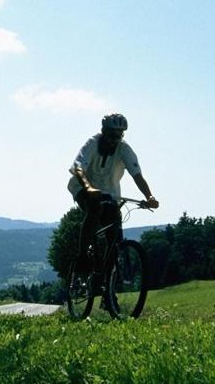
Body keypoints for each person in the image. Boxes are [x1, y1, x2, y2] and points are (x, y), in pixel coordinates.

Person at [67, 113, 159, 273]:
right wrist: (88, 188)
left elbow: (137, 176)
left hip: (110, 193)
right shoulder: (92, 143)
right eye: (111, 135)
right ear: (103, 131)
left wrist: (149, 197)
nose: (114, 140)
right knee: (94, 208)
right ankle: (82, 256)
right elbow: (78, 168)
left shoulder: (124, 149)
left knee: (115, 237)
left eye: (119, 136)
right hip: (82, 187)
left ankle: (107, 286)